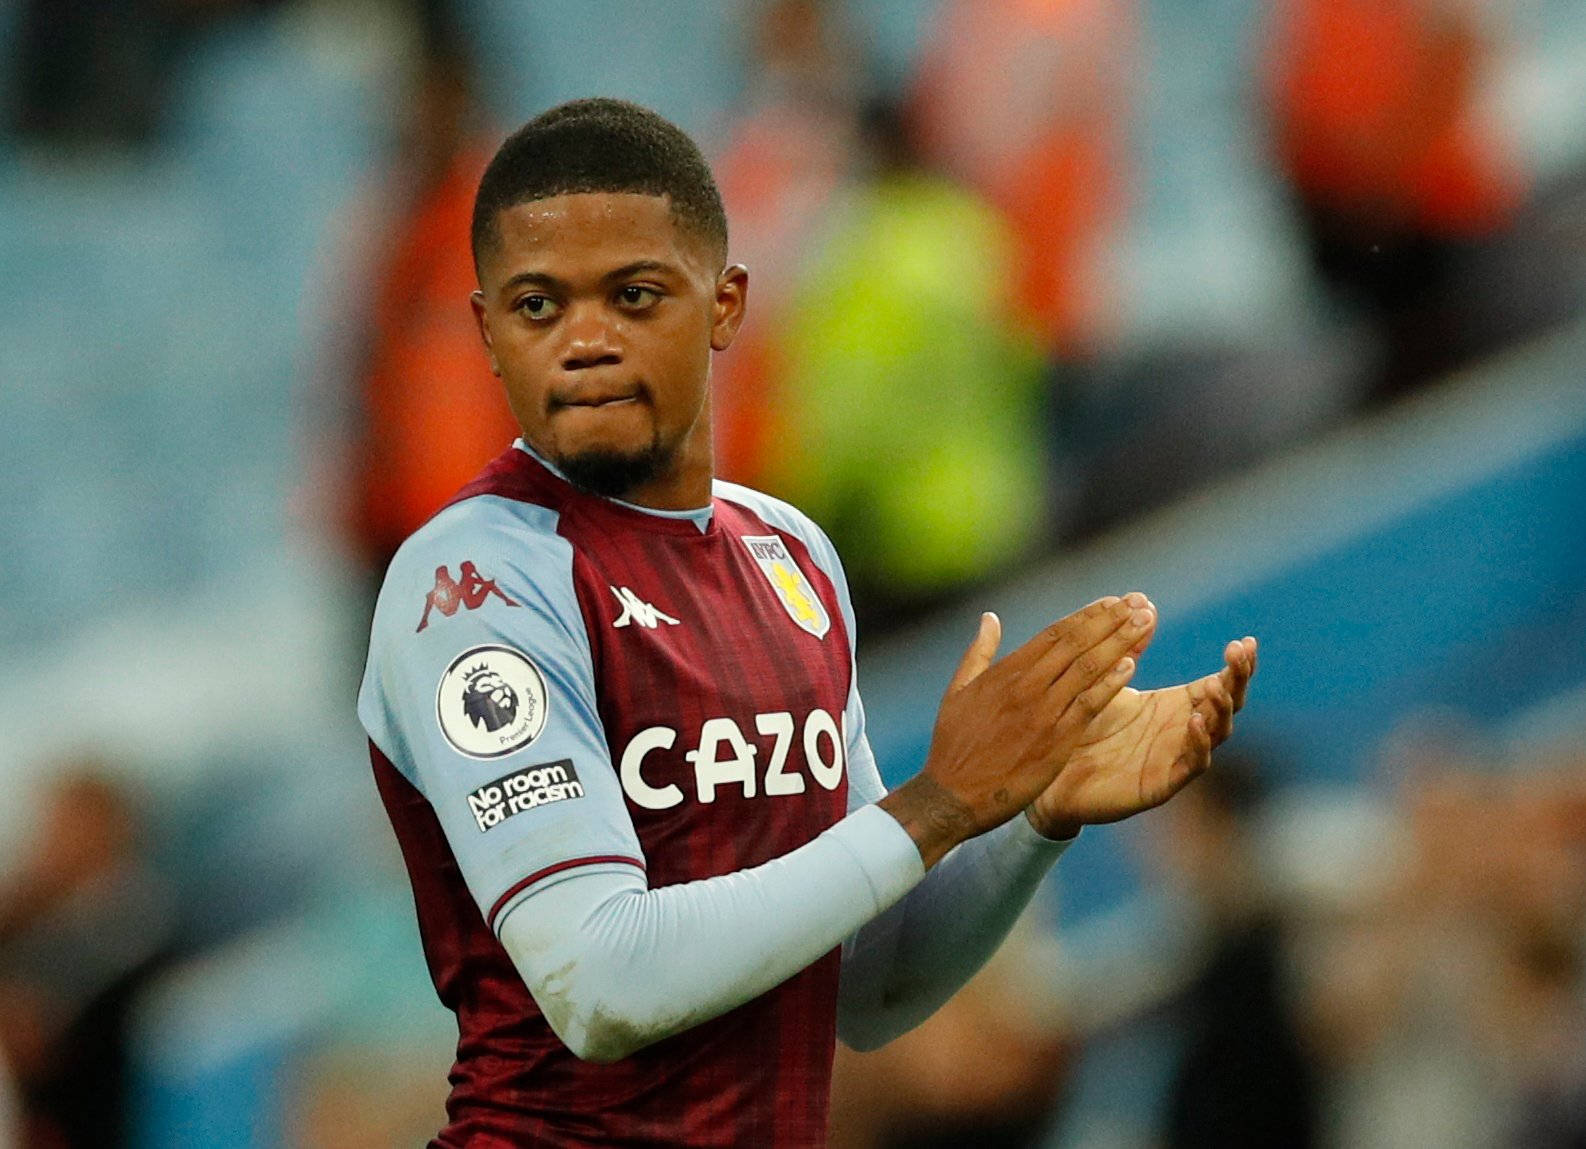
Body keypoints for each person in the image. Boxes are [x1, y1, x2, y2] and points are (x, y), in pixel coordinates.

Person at [357, 97, 1258, 1147]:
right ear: (487, 334)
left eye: (634, 295)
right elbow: (597, 980)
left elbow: (863, 990)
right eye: (537, 306)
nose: (585, 342)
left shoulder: (789, 560)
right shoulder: (473, 581)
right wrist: (936, 806)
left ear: (727, 305)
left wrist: (1026, 817)